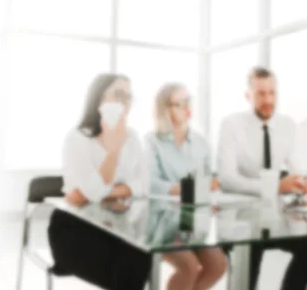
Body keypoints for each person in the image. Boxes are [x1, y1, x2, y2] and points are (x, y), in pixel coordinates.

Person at [217, 67, 307, 290]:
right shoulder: (231, 125)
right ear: (248, 96)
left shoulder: (287, 125)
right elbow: (226, 178)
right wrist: (274, 187)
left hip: (277, 218)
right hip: (241, 218)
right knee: (249, 260)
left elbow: (300, 168)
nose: (268, 99)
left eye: (272, 93)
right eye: (261, 94)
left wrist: (302, 182)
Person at [47, 73, 152, 290]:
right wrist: (112, 152)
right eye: (118, 94)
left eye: (129, 97)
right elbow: (86, 196)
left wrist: (108, 191)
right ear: (98, 99)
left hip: (119, 226)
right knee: (126, 270)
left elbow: (143, 186)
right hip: (74, 227)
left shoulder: (132, 137)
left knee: (139, 254)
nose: (125, 102)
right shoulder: (78, 138)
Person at [146, 83, 227, 290]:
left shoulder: (200, 142)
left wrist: (209, 185)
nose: (186, 108)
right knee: (189, 267)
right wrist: (188, 188)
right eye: (178, 104)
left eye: (187, 102)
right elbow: (151, 183)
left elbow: (211, 181)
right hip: (162, 223)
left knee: (218, 265)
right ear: (165, 109)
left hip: (194, 221)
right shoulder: (152, 141)